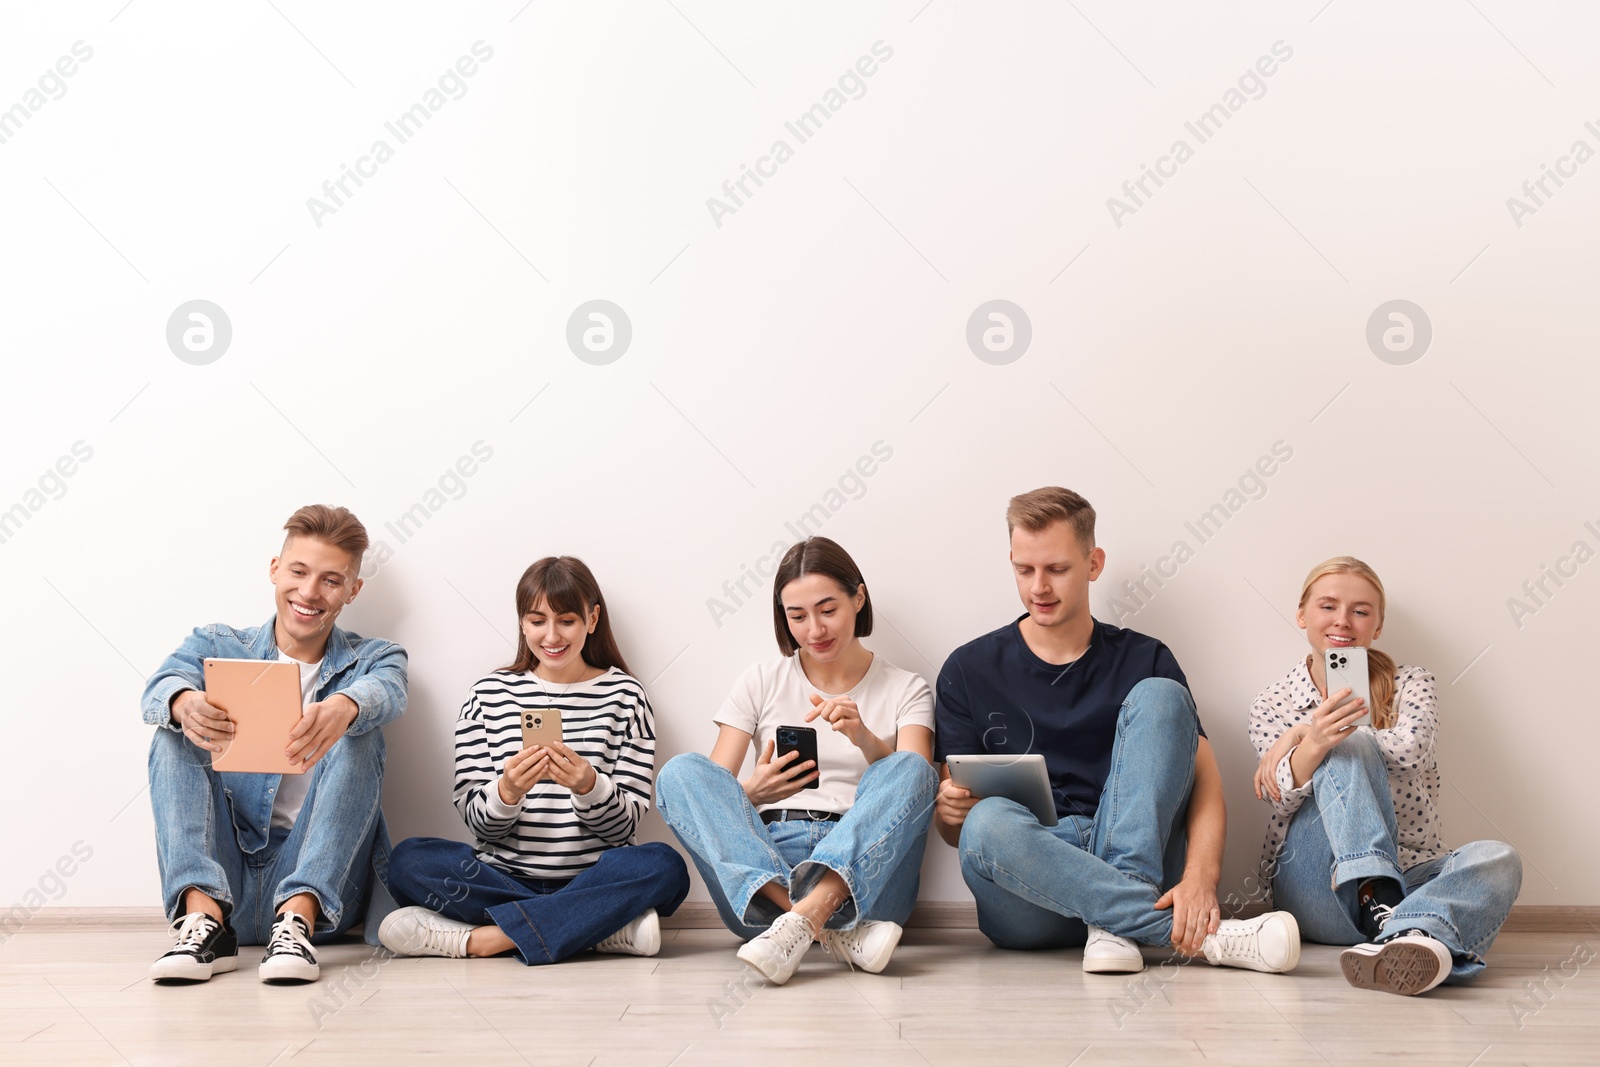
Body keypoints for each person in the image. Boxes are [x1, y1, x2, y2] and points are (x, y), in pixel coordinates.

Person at [933, 487, 1300, 975]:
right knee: (985, 822)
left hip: (1142, 863)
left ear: (1094, 563)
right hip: (1031, 891)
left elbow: (1206, 783)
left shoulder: (1146, 658)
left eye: (1057, 569)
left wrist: (1201, 880)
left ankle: (1116, 920)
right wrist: (950, 811)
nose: (1038, 586)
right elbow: (957, 836)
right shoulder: (967, 668)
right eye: (1025, 570)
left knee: (1163, 696)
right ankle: (1203, 938)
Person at [142, 504, 407, 984]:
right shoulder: (218, 644)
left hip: (323, 895)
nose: (309, 592)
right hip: (229, 883)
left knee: (361, 733)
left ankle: (296, 922)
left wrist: (346, 705)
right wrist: (183, 702)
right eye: (299, 572)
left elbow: (389, 691)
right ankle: (205, 927)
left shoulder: (375, 657)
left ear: (352, 590)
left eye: (331, 580)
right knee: (171, 730)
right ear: (274, 570)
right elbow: (157, 689)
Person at [656, 537, 938, 986]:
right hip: (766, 867)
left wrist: (864, 738)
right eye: (797, 616)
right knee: (681, 772)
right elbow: (708, 789)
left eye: (828, 610)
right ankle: (823, 928)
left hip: (868, 873)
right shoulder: (761, 679)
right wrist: (754, 790)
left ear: (858, 598)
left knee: (913, 769)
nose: (814, 630)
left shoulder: (907, 688)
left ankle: (802, 921)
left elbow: (919, 788)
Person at [379, 556, 689, 964]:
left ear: (592, 619)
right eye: (537, 620)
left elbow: (625, 827)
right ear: (522, 623)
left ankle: (485, 940)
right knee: (407, 861)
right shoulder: (487, 695)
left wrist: (588, 786)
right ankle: (595, 929)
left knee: (665, 866)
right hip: (501, 876)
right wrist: (506, 791)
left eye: (567, 620)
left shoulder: (626, 696)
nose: (551, 635)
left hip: (594, 876)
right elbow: (478, 824)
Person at [1249, 556, 1521, 995]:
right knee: (1347, 740)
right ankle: (1402, 916)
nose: (1343, 621)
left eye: (1360, 611)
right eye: (1328, 606)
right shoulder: (1272, 703)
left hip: (1410, 874)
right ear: (1302, 615)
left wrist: (1304, 733)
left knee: (1500, 859)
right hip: (1317, 885)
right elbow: (1280, 796)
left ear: (1376, 626)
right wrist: (1319, 739)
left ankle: (1402, 934)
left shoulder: (1411, 682)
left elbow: (1411, 750)